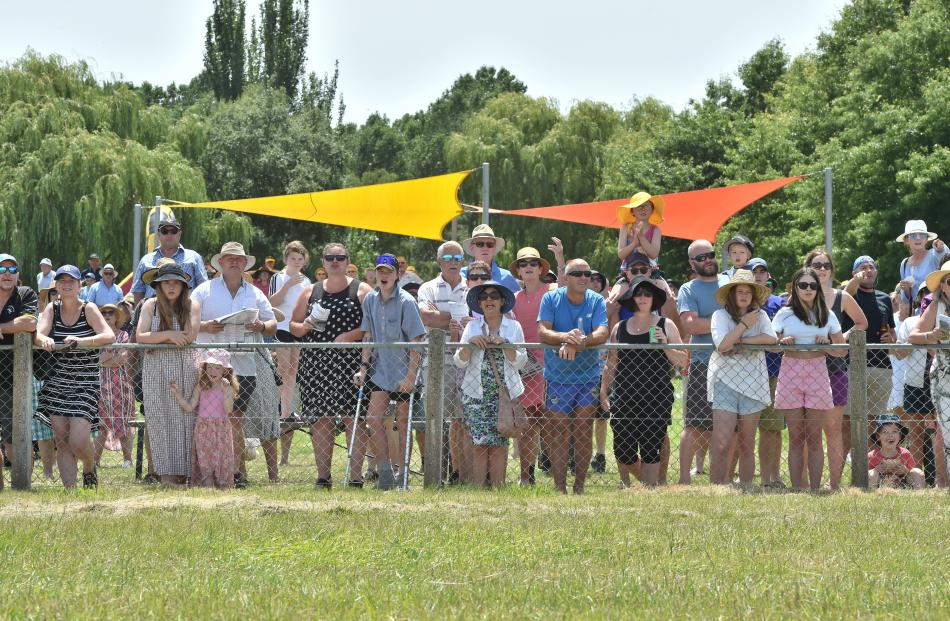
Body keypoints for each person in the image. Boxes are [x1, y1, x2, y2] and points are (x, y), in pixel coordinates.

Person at [192, 242, 278, 487]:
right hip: (211, 366)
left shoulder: (255, 293)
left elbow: (272, 323)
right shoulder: (203, 291)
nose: (234, 262)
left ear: (244, 264)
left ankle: (237, 473)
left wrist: (261, 326)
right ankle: (210, 472)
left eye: (239, 259)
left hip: (244, 365)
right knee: (210, 419)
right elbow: (188, 323)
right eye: (229, 258)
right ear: (220, 263)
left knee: (235, 419)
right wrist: (206, 326)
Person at [289, 242, 371, 488]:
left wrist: (349, 337)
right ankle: (323, 477)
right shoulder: (309, 291)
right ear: (322, 262)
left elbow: (371, 327)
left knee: (353, 419)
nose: (335, 261)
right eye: (329, 257)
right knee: (320, 419)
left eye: (340, 257)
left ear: (347, 261)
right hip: (317, 363)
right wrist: (303, 327)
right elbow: (293, 325)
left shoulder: (362, 290)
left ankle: (355, 477)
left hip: (351, 362)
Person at [601, 276, 686, 487]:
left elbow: (683, 360)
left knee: (651, 446)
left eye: (647, 294)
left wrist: (665, 345)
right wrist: (603, 391)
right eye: (638, 294)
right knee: (622, 447)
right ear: (631, 298)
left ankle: (650, 489)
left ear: (654, 298)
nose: (643, 298)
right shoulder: (619, 327)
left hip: (656, 395)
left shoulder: (666, 324)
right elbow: (611, 364)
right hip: (624, 394)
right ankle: (636, 485)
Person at [34, 265, 115, 488]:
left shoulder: (88, 308)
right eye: (62, 280)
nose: (66, 284)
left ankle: (89, 468)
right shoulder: (52, 307)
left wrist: (81, 342)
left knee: (78, 441)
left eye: (72, 280)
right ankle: (70, 493)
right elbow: (38, 334)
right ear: (56, 284)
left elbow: (109, 335)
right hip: (57, 380)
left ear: (80, 285)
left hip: (85, 382)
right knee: (62, 441)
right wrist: (45, 341)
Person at [355, 254, 426, 490]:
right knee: (373, 419)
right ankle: (385, 473)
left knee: (403, 423)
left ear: (397, 275)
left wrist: (410, 377)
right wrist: (363, 367)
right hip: (379, 371)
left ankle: (403, 475)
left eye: (388, 271)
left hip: (404, 372)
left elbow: (416, 340)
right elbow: (368, 336)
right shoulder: (370, 301)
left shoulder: (407, 301)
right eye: (380, 271)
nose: (383, 276)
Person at [538, 258, 609, 494]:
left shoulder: (597, 300)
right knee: (558, 431)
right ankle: (560, 487)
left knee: (582, 430)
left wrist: (582, 342)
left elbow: (602, 332)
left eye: (587, 273)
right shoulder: (551, 298)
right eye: (577, 273)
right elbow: (543, 331)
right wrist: (566, 337)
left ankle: (579, 486)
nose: (583, 277)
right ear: (565, 278)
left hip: (588, 376)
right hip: (557, 377)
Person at [772, 267, 847, 491]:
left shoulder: (828, 314)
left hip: (818, 370)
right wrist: (782, 342)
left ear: (818, 288)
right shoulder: (784, 313)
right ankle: (797, 489)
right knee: (796, 437)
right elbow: (772, 346)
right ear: (795, 287)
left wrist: (827, 345)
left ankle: (815, 489)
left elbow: (841, 351)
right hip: (790, 370)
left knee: (815, 437)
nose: (807, 289)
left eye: (812, 285)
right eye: (802, 285)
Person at [804, 249, 868, 490]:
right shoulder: (799, 295)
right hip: (805, 368)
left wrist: (841, 339)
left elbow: (862, 323)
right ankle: (808, 484)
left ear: (831, 270)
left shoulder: (842, 297)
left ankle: (834, 485)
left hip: (835, 369)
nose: (822, 269)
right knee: (809, 432)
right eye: (817, 264)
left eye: (826, 265)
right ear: (808, 267)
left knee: (833, 430)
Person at [708, 270, 777, 486]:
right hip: (724, 382)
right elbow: (722, 345)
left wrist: (742, 340)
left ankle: (746, 486)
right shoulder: (720, 316)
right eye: (740, 291)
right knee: (722, 441)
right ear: (732, 294)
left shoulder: (762, 316)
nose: (744, 295)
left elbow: (771, 338)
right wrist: (744, 324)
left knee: (747, 442)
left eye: (749, 291)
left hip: (754, 383)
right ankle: (717, 486)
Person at [454, 281, 526, 488]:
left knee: (499, 443)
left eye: (494, 296)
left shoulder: (514, 327)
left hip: (504, 394)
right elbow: (460, 361)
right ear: (479, 303)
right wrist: (470, 345)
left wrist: (505, 345)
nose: (489, 300)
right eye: (484, 297)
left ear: (502, 301)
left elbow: (521, 361)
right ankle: (478, 489)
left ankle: (498, 488)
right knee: (478, 443)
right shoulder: (471, 326)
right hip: (475, 393)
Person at [136, 263, 201, 487]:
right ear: (158, 285)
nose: (171, 286)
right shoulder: (149, 306)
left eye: (176, 282)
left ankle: (187, 474)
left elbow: (189, 335)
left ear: (184, 285)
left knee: (186, 419)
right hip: (155, 369)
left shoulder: (192, 304)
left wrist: (159, 338)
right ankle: (165, 475)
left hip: (185, 367)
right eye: (166, 282)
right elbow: (141, 336)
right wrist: (169, 334)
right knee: (158, 419)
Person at [676, 240, 730, 484]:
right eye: (701, 258)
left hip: (734, 364)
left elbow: (746, 315)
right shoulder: (688, 289)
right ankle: (684, 479)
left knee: (732, 427)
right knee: (695, 424)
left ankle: (723, 478)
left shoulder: (730, 283)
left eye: (710, 255)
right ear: (691, 263)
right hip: (702, 363)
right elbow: (691, 325)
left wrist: (708, 320)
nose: (707, 260)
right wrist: (726, 321)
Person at [417, 242, 470, 482]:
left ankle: (460, 475)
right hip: (438, 360)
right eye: (447, 256)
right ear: (439, 261)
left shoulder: (471, 287)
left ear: (462, 260)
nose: (452, 260)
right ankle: (435, 475)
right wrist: (457, 317)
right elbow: (426, 317)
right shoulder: (427, 287)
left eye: (457, 256)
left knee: (461, 419)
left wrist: (442, 316)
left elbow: (476, 319)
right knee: (436, 419)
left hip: (467, 360)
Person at [508, 248, 556, 485]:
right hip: (525, 367)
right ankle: (527, 475)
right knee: (528, 425)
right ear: (518, 270)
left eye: (533, 263)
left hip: (554, 365)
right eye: (523, 263)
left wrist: (560, 257)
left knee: (552, 423)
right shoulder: (513, 299)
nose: (528, 266)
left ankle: (559, 475)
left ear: (540, 269)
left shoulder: (553, 291)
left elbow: (572, 283)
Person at [747, 258, 792, 488]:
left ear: (768, 276)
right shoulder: (739, 301)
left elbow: (782, 337)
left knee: (771, 429)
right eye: (753, 271)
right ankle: (741, 477)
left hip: (773, 373)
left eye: (762, 272)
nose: (758, 275)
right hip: (743, 372)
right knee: (741, 429)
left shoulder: (779, 304)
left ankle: (771, 478)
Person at [844, 255, 896, 450]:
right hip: (852, 364)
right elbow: (847, 291)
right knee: (848, 421)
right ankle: (839, 476)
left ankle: (867, 473)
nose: (868, 270)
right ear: (854, 273)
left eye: (872, 267)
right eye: (863, 267)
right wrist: (856, 280)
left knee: (873, 423)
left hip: (881, 366)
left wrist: (890, 339)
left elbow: (892, 332)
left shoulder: (884, 298)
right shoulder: (848, 295)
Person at [268, 241, 311, 465]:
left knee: (294, 369)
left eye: (300, 259)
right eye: (293, 258)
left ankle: (288, 409)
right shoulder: (279, 277)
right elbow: (271, 302)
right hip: (282, 327)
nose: (296, 262)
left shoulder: (307, 280)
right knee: (284, 369)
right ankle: (283, 410)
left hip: (299, 327)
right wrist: (288, 285)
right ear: (286, 259)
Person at [169, 349, 237, 489]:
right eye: (210, 367)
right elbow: (189, 407)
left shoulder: (227, 388)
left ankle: (223, 484)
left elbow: (228, 409)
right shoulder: (201, 386)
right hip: (203, 428)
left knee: (220, 457)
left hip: (221, 428)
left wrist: (225, 392)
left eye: (218, 368)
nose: (213, 371)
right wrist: (177, 394)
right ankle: (208, 484)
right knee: (205, 457)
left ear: (224, 370)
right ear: (205, 368)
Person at [896, 289, 945, 484]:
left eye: (931, 297)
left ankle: (939, 479)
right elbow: (899, 353)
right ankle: (918, 480)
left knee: (938, 432)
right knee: (915, 432)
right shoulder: (909, 323)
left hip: (941, 380)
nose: (927, 301)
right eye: (924, 297)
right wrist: (918, 340)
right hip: (916, 382)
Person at [0, 254, 38, 486]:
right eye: (2, 268)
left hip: (13, 377)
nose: (7, 273)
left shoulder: (26, 294)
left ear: (17, 274)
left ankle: (23, 485)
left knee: (15, 436)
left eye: (12, 269)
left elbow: (30, 322)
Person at [909, 261, 950, 474]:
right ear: (942, 286)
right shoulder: (935, 305)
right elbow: (912, 336)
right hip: (943, 377)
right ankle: (944, 483)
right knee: (945, 431)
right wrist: (930, 336)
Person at [131, 217, 208, 304]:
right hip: (152, 312)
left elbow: (204, 287)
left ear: (179, 234)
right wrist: (140, 313)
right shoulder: (146, 260)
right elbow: (138, 290)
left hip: (185, 312)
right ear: (159, 234)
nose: (169, 235)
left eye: (173, 231)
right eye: (165, 231)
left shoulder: (194, 257)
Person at [95, 303, 135, 469]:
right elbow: (95, 360)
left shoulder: (124, 335)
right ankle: (95, 461)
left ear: (117, 316)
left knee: (125, 422)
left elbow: (123, 358)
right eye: (103, 312)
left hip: (121, 385)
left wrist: (105, 360)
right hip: (101, 385)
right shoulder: (96, 336)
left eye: (111, 312)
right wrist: (109, 359)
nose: (107, 314)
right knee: (101, 425)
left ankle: (127, 460)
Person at [867, 414, 925, 489]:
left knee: (917, 472)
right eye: (885, 432)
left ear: (900, 436)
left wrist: (905, 471)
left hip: (903, 483)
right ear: (878, 436)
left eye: (894, 432)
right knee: (871, 474)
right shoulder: (872, 455)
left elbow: (912, 472)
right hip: (880, 484)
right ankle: (873, 493)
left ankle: (919, 494)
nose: (890, 435)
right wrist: (876, 469)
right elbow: (867, 475)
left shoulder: (905, 453)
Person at [897, 220, 947, 305]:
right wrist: (906, 290)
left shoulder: (934, 254)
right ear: (907, 240)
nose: (918, 238)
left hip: (937, 310)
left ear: (926, 239)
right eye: (913, 236)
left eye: (922, 235)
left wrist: (941, 248)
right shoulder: (904, 264)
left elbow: (946, 259)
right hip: (917, 314)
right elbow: (906, 301)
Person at [460, 224, 521, 293]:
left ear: (494, 248)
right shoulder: (460, 275)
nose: (485, 248)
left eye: (490, 244)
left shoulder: (509, 278)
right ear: (472, 247)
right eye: (480, 244)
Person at [616, 192, 663, 266]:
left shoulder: (656, 230)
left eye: (646, 206)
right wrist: (634, 243)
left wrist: (641, 236)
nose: (643, 209)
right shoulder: (625, 228)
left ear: (652, 210)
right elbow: (621, 255)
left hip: (649, 270)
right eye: (639, 206)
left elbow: (654, 254)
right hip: (629, 270)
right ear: (632, 211)